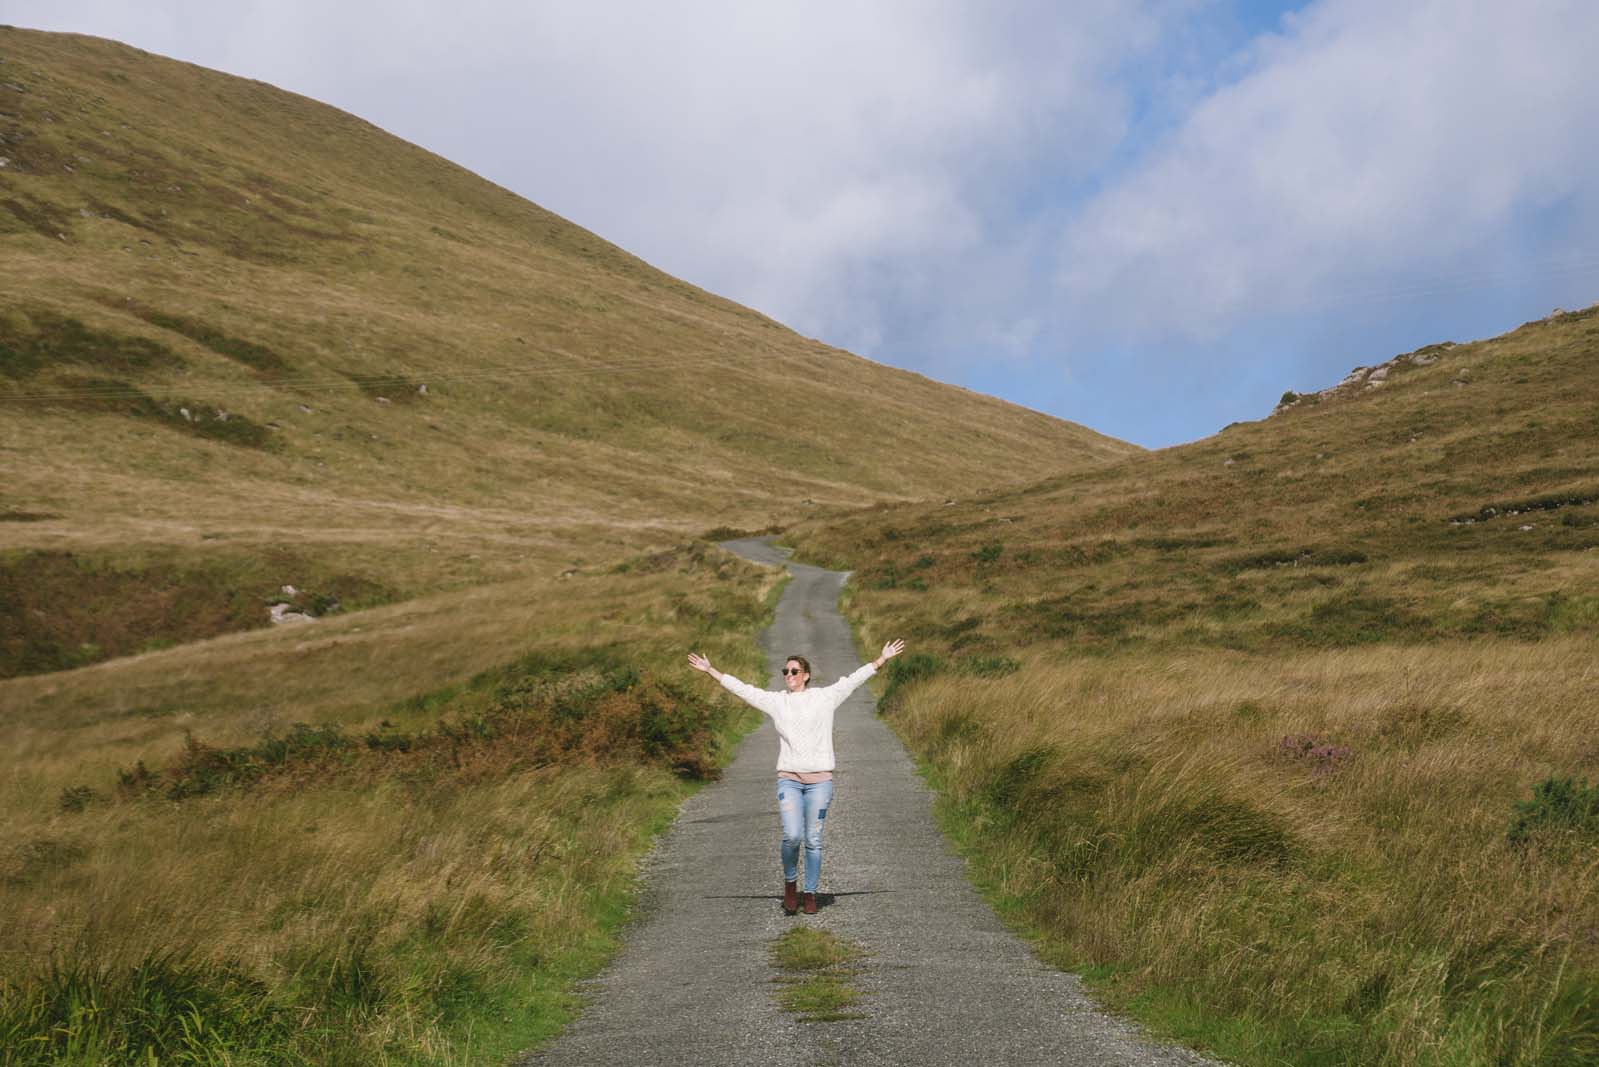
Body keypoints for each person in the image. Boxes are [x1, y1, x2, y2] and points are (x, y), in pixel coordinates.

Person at [687, 638, 906, 915]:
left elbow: (852, 681)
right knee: (791, 836)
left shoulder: (824, 697)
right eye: (785, 672)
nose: (788, 676)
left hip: (820, 781)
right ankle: (791, 885)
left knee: (813, 840)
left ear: (806, 675)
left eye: (794, 671)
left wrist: (881, 659)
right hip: (789, 779)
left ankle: (810, 893)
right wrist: (711, 670)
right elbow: (744, 691)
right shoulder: (777, 702)